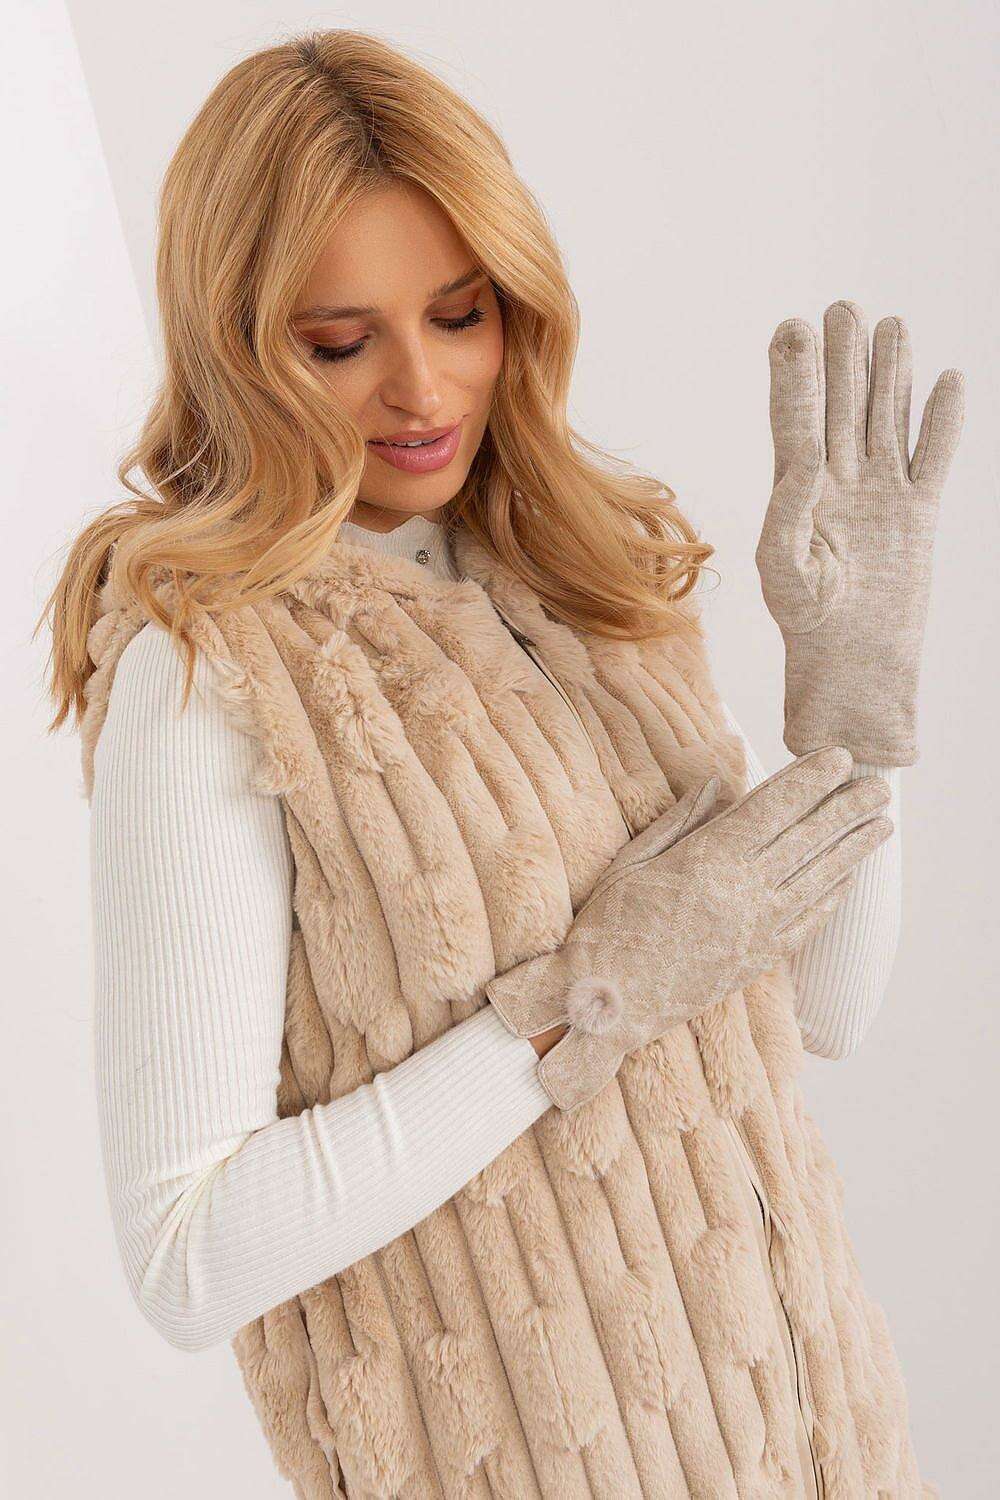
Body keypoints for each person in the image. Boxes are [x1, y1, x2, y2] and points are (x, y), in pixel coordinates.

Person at [41, 29, 963, 1498]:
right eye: (339, 343)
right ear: (237, 348)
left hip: (824, 1452)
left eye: (459, 314)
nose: (422, 388)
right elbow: (187, 1253)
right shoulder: (210, 672)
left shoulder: (581, 581)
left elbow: (819, 1012)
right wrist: (580, 1003)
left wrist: (854, 706)